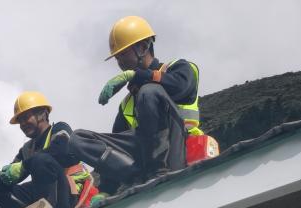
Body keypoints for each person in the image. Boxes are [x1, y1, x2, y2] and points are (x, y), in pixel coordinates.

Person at [68, 15, 202, 193]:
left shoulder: (179, 68)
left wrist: (140, 76)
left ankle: (159, 172)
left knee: (149, 91)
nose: (120, 62)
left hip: (177, 149)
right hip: (143, 159)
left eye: (123, 54)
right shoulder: (127, 105)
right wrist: (105, 191)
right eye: (117, 58)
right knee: (78, 139)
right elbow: (113, 151)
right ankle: (137, 176)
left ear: (143, 46)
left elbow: (180, 87)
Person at [0, 91, 90, 208]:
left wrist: (25, 165)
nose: (23, 124)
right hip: (44, 196)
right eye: (20, 121)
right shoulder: (27, 148)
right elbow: (13, 172)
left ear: (43, 114)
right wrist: (5, 176)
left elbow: (62, 151)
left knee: (40, 160)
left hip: (69, 196)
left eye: (26, 118)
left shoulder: (60, 129)